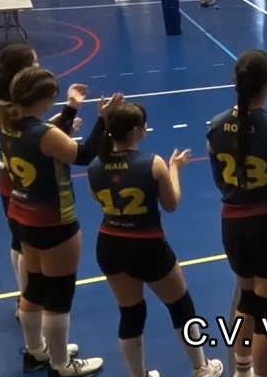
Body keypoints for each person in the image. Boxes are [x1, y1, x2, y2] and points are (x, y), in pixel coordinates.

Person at [87, 102, 224, 377]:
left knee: (131, 312)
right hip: (147, 246)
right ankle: (201, 367)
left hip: (109, 244)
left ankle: (138, 374)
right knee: (180, 304)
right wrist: (175, 168)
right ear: (137, 131)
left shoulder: (94, 166)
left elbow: (98, 201)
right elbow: (171, 204)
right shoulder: (152, 163)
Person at [4, 67, 115, 377]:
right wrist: (103, 118)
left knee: (35, 289)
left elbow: (46, 141)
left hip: (23, 216)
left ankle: (35, 351)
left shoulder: (9, 124)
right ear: (43, 98)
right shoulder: (44, 133)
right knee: (59, 296)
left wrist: (70, 109)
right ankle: (60, 364)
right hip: (53, 220)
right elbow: (83, 155)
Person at [207, 50, 267, 377]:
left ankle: (242, 369)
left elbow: (222, 183)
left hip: (233, 225)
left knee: (247, 298)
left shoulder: (215, 129)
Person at [0, 45, 82, 322]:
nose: (39, 65)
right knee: (27, 246)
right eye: (34, 63)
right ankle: (28, 298)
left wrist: (59, 125)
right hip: (25, 186)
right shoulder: (15, 112)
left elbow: (35, 135)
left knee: (20, 240)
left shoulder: (7, 104)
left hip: (10, 176)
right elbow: (43, 140)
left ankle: (25, 296)